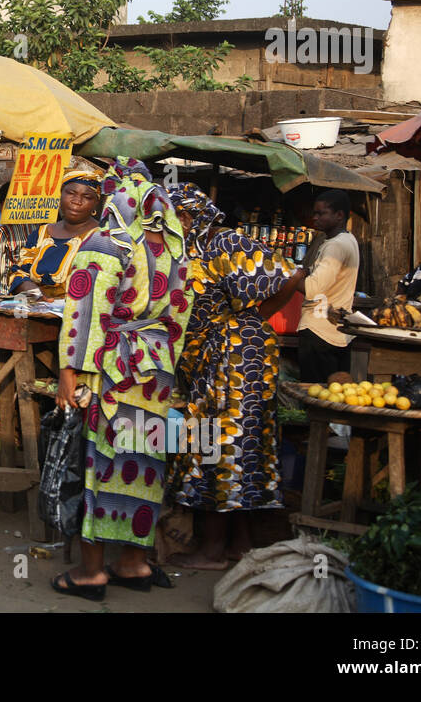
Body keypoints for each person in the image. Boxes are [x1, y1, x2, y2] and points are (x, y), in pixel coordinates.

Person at [51, 159, 193, 601]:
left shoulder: (104, 244)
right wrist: (162, 363)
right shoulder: (173, 251)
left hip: (108, 369)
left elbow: (83, 312)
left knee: (98, 464)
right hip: (155, 372)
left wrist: (68, 371)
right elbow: (179, 319)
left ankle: (92, 573)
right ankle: (133, 563)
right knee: (143, 466)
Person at [166, 183, 306, 570]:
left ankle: (211, 550)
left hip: (235, 359)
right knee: (238, 446)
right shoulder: (189, 249)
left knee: (220, 446)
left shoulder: (225, 243)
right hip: (216, 358)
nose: (177, 222)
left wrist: (251, 318)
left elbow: (290, 276)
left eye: (184, 215)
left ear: (201, 215)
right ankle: (238, 546)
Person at [8, 168, 104, 298]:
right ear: (60, 194)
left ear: (95, 204)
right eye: (71, 193)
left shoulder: (102, 238)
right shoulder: (41, 233)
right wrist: (34, 292)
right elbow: (19, 272)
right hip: (36, 309)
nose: (77, 201)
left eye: (87, 197)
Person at [296, 189, 359, 383]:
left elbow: (313, 288)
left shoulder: (336, 246)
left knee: (315, 398)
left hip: (319, 332)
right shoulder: (347, 239)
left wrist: (284, 278)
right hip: (337, 331)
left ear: (339, 215)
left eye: (321, 213)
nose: (315, 218)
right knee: (334, 398)